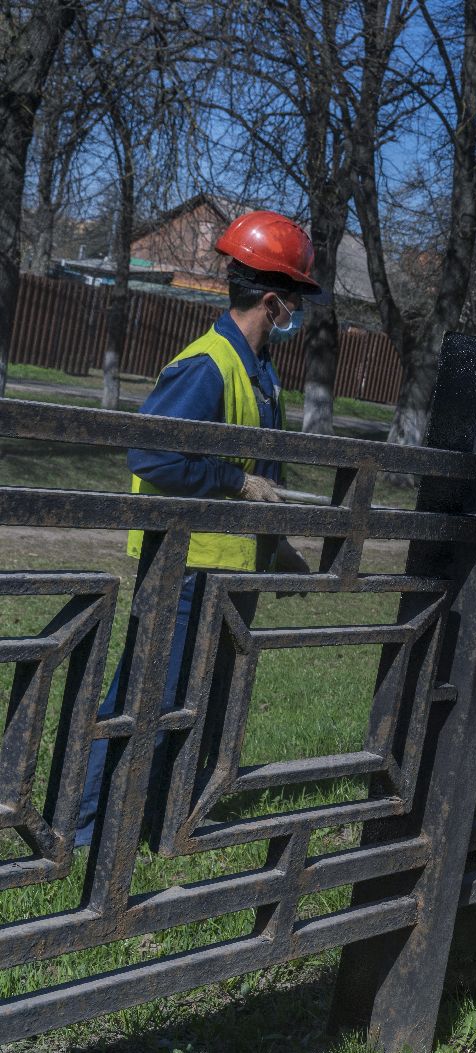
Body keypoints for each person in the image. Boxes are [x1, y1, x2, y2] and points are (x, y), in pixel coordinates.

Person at [75, 210, 318, 847]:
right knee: (144, 699)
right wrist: (235, 483)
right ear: (272, 300)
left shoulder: (262, 376)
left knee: (196, 704)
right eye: (294, 300)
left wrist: (279, 543)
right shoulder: (207, 365)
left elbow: (262, 473)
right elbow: (152, 454)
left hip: (228, 572)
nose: (297, 312)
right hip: (183, 570)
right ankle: (84, 834)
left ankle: (162, 822)